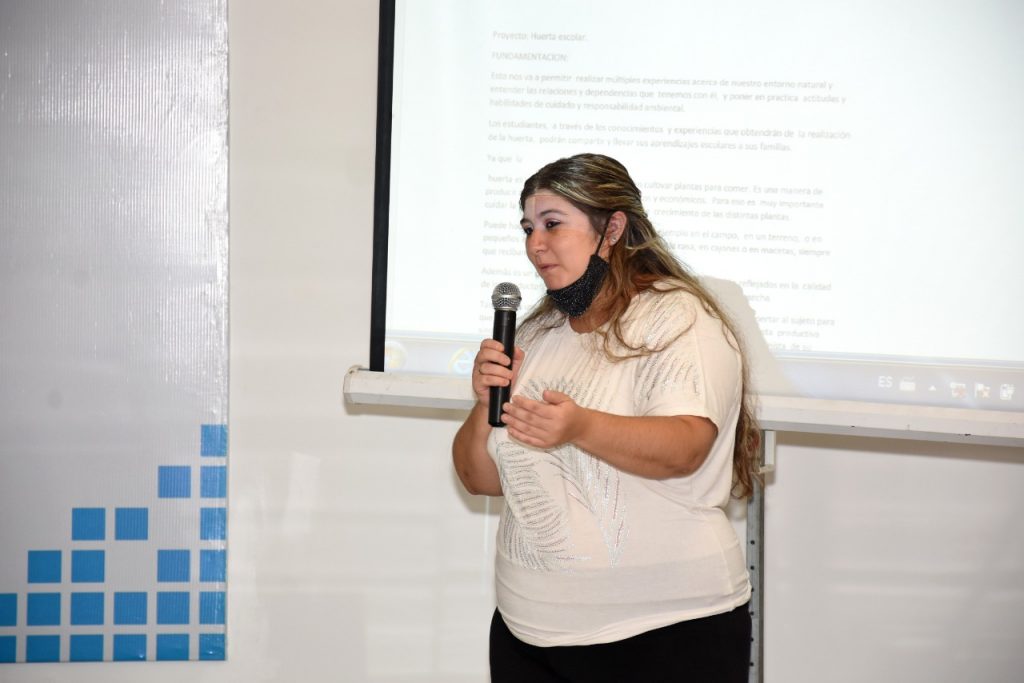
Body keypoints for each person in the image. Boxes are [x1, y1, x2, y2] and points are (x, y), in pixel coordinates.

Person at [452, 153, 760, 682]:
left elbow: (686, 446)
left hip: (662, 634)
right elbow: (479, 478)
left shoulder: (677, 317)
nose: (534, 245)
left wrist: (581, 427)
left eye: (552, 224)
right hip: (528, 637)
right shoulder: (535, 334)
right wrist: (486, 405)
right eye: (527, 228)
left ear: (612, 229)